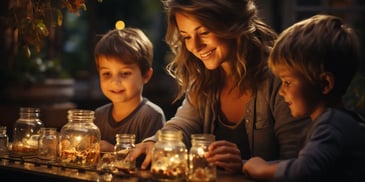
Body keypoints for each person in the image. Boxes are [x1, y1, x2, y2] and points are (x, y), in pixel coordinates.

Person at [129, 0, 310, 173]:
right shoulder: (203, 78)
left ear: (231, 23)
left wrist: (242, 165)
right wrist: (156, 142)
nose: (195, 46)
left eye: (205, 32)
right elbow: (184, 124)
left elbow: (297, 163)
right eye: (186, 37)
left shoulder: (280, 78)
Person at [242, 14, 365, 181]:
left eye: (287, 82)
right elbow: (302, 162)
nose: (281, 91)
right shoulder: (333, 122)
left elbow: (303, 170)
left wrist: (262, 170)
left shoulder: (331, 126)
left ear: (325, 83)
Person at [93, 27, 166, 152]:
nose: (115, 81)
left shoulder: (151, 116)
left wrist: (113, 151)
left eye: (125, 73)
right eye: (107, 74)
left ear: (146, 75)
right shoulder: (98, 115)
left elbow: (149, 160)